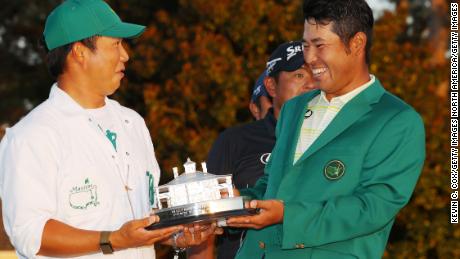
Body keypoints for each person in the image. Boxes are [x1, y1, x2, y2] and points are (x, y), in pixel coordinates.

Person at [0, 0, 216, 258]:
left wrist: (177, 235)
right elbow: (29, 235)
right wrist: (112, 240)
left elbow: (142, 219)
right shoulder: (32, 135)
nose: (126, 55)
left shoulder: (132, 122)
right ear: (80, 52)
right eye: (115, 44)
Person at [226, 0, 426, 259]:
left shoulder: (397, 120)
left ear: (356, 43)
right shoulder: (293, 109)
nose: (309, 58)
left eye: (320, 45)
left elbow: (373, 208)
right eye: (306, 45)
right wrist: (233, 202)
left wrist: (289, 216)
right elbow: (271, 186)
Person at [188, 41, 316, 259]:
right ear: (271, 86)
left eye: (316, 74)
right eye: (299, 75)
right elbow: (204, 225)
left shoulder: (334, 139)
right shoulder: (235, 141)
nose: (311, 84)